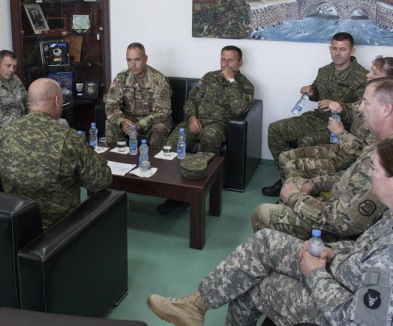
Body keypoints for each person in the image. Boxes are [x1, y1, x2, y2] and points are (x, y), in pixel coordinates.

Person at [147, 138, 393, 326]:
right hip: (343, 275)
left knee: (254, 286)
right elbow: (365, 252)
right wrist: (335, 252)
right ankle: (195, 305)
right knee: (265, 242)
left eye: (374, 168)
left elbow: (359, 321)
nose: (369, 173)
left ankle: (193, 307)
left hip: (340, 307)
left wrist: (315, 273)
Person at [252, 76, 393, 240]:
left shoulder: (387, 161)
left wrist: (295, 198)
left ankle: (288, 254)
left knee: (261, 213)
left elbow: (344, 224)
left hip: (340, 232)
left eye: (366, 102)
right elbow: (347, 177)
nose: (360, 108)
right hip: (336, 205)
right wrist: (309, 185)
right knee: (295, 181)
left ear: (386, 109)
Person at [0, 78, 112, 229]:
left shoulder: (2, 134)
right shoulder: (68, 137)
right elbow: (102, 180)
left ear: (30, 103)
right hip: (60, 228)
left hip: (16, 224)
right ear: (57, 101)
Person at [263, 32, 368, 197]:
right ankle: (285, 178)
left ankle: (301, 191)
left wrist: (340, 106)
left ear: (352, 52)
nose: (337, 53)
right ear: (329, 49)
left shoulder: (362, 76)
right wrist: (310, 91)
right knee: (275, 129)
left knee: (305, 143)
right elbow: (317, 92)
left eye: (342, 49)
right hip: (317, 118)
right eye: (334, 48)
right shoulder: (325, 71)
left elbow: (363, 108)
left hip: (338, 126)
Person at [157, 46, 255, 215]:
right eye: (223, 59)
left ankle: (198, 189)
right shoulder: (209, 77)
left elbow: (239, 109)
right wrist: (192, 117)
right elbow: (191, 100)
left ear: (240, 63)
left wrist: (232, 81)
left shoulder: (246, 85)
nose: (226, 64)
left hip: (218, 125)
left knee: (210, 136)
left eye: (231, 60)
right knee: (172, 144)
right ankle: (174, 189)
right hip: (196, 122)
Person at [277, 57, 393, 182]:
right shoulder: (375, 98)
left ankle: (296, 195)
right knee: (284, 157)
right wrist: (341, 108)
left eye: (374, 73)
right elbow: (353, 108)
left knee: (291, 165)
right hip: (342, 149)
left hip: (351, 161)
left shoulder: (387, 114)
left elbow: (365, 154)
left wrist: (340, 132)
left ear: (390, 80)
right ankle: (289, 191)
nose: (368, 75)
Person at [105, 42, 172, 149]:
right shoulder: (121, 77)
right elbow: (111, 105)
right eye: (129, 60)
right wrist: (122, 122)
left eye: (137, 59)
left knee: (160, 128)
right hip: (128, 119)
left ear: (145, 59)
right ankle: (114, 160)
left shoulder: (159, 80)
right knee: (110, 124)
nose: (133, 65)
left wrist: (138, 125)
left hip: (151, 121)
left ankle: (154, 162)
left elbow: (162, 112)